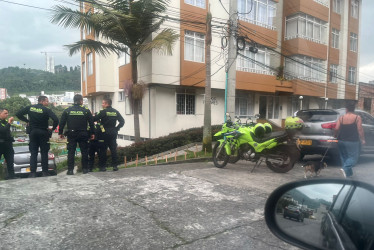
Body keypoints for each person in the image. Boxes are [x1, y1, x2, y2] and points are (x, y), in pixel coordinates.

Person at [16, 96, 59, 178]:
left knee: (33, 153)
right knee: (44, 152)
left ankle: (32, 173)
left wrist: (27, 121)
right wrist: (52, 129)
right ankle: (45, 172)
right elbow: (56, 120)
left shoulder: (30, 108)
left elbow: (18, 114)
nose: (48, 102)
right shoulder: (46, 110)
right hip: (43, 132)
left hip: (33, 132)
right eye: (47, 101)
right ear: (42, 101)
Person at [59, 94, 95, 175]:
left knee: (71, 152)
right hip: (83, 133)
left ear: (74, 101)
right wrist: (92, 133)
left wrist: (60, 132)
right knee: (84, 152)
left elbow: (62, 122)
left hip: (71, 134)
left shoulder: (67, 110)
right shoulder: (86, 110)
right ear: (81, 101)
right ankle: (85, 169)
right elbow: (91, 123)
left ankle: (70, 170)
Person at [335, 100, 365, 178]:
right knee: (353, 158)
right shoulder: (357, 117)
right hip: (352, 141)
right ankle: (345, 169)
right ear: (353, 109)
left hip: (341, 140)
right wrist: (362, 139)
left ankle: (348, 174)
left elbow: (336, 128)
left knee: (344, 156)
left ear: (346, 109)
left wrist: (335, 136)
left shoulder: (341, 118)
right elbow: (360, 129)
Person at [94, 98, 124, 171]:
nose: (102, 104)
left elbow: (94, 119)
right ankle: (115, 166)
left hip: (104, 133)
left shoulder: (103, 112)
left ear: (107, 104)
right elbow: (122, 121)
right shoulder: (115, 112)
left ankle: (103, 167)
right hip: (113, 132)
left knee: (103, 150)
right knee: (113, 150)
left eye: (103, 103)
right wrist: (116, 128)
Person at [0, 108, 17, 180]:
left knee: (10, 161)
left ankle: (11, 176)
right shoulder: (6, 122)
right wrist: (9, 122)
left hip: (7, 144)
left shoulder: (5, 121)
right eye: (5, 113)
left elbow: (7, 132)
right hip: (0, 144)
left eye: (7, 113)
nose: (7, 115)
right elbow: (3, 130)